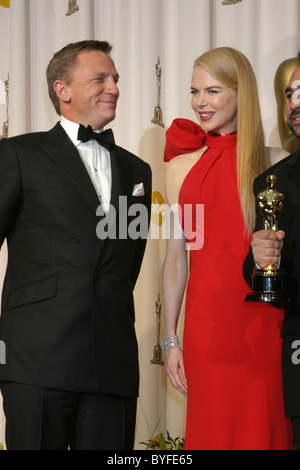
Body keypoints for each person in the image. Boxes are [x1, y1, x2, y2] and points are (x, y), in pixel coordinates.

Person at [0, 40, 152, 450]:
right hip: (36, 357)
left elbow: (127, 262)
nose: (114, 87)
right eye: (99, 78)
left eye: (115, 78)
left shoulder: (138, 170)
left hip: (112, 359)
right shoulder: (18, 154)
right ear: (62, 89)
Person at [161, 46, 293, 450]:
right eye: (195, 91)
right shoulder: (179, 168)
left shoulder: (280, 163)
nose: (200, 102)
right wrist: (170, 339)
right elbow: (175, 261)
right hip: (207, 332)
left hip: (266, 327)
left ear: (242, 93)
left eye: (213, 91)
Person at [243, 62, 300, 448]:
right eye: (289, 94)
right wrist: (262, 257)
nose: (295, 102)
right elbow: (258, 270)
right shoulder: (272, 183)